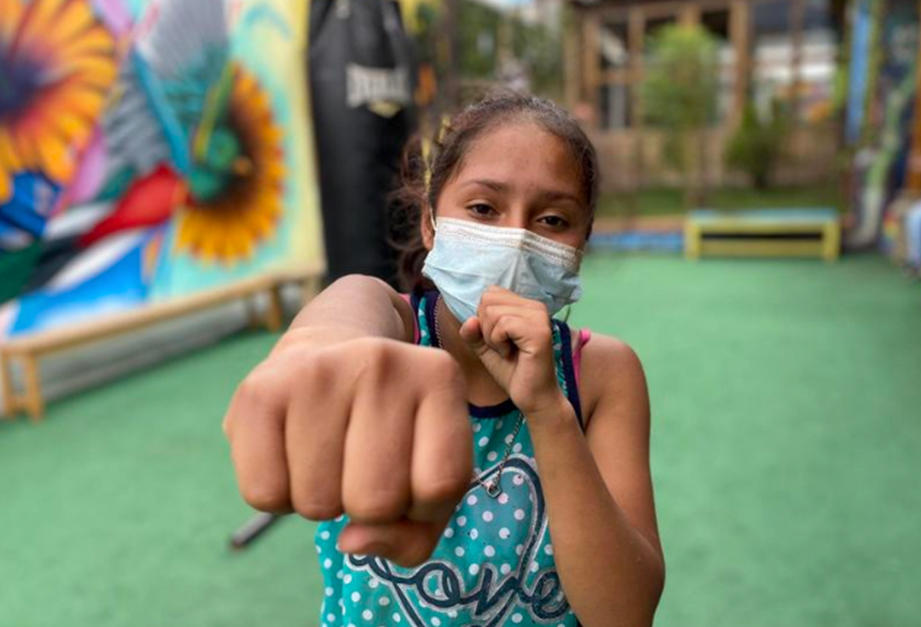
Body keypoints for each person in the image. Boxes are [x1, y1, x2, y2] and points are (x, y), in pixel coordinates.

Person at [223, 92, 665, 626]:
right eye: (482, 208)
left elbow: (625, 615)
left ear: (581, 245)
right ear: (432, 225)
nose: (515, 239)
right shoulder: (394, 334)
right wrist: (320, 348)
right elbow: (352, 305)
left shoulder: (601, 375)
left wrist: (549, 413)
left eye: (552, 220)